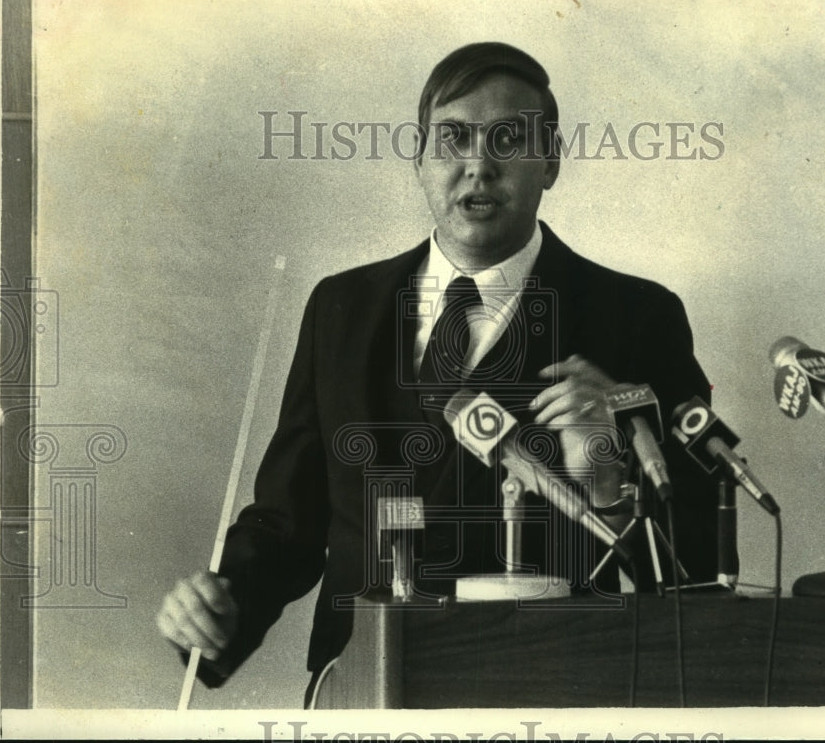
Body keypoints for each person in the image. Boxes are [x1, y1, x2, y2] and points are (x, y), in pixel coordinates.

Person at [157, 42, 719, 702]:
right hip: (362, 689)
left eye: (508, 139)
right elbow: (288, 522)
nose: (478, 166)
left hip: (557, 687)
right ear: (419, 158)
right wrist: (218, 607)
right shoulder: (341, 307)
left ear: (552, 160)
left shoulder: (637, 317)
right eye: (454, 138)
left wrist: (607, 474)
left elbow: (704, 557)